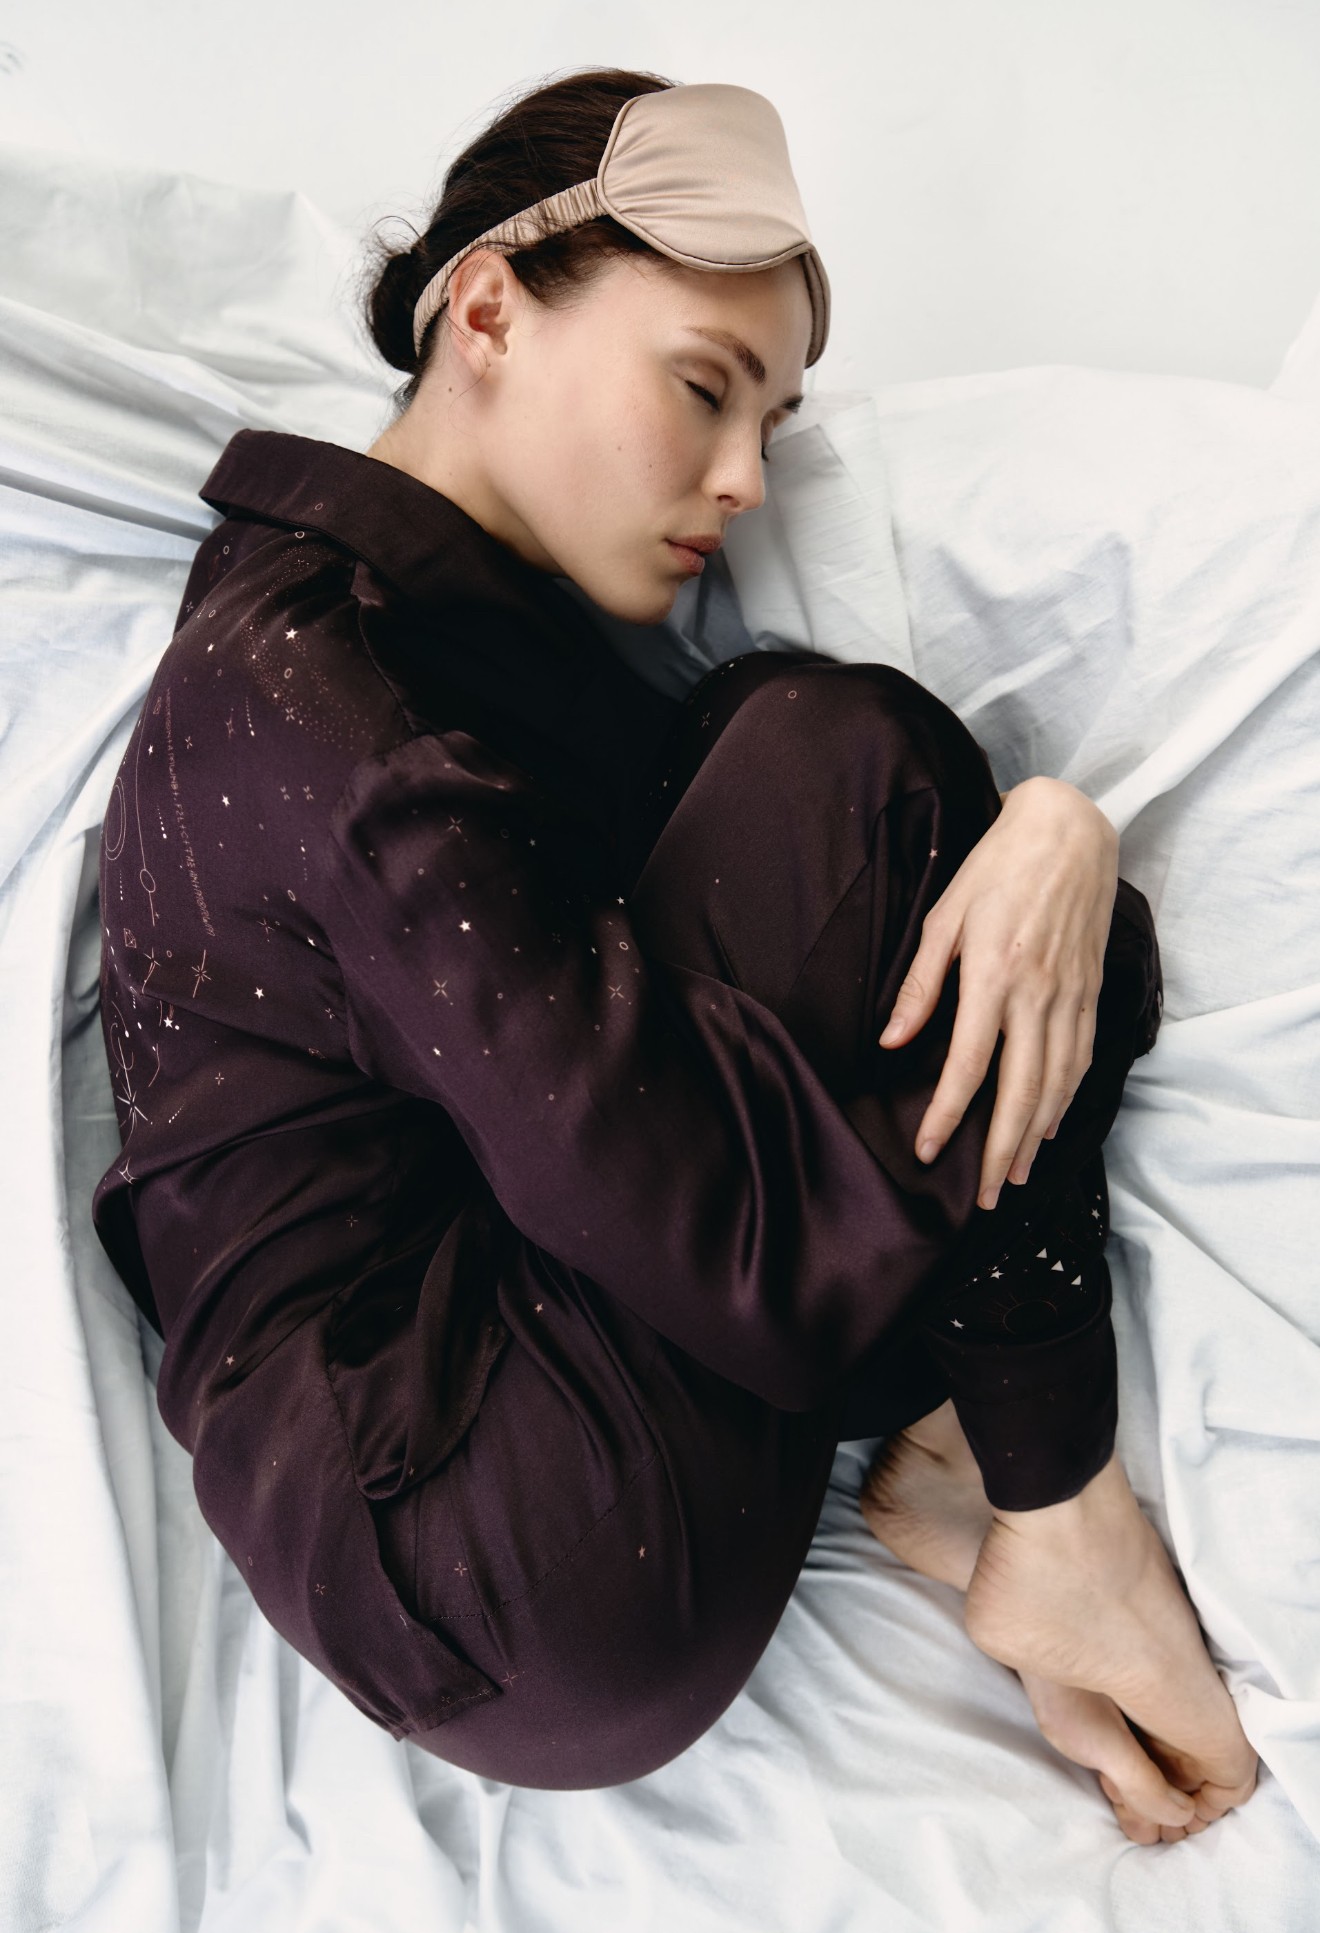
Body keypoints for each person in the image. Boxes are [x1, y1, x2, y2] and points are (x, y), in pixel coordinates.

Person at [90, 67, 1256, 1831]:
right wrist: (1046, 879)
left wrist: (1061, 849)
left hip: (557, 1452)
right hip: (499, 1547)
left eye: (771, 425)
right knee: (843, 757)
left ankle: (989, 1459)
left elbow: (850, 994)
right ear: (487, 311)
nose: (743, 481)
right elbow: (701, 1203)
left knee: (831, 761)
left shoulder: (476, 663)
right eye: (704, 389)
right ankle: (1047, 1497)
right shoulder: (312, 696)